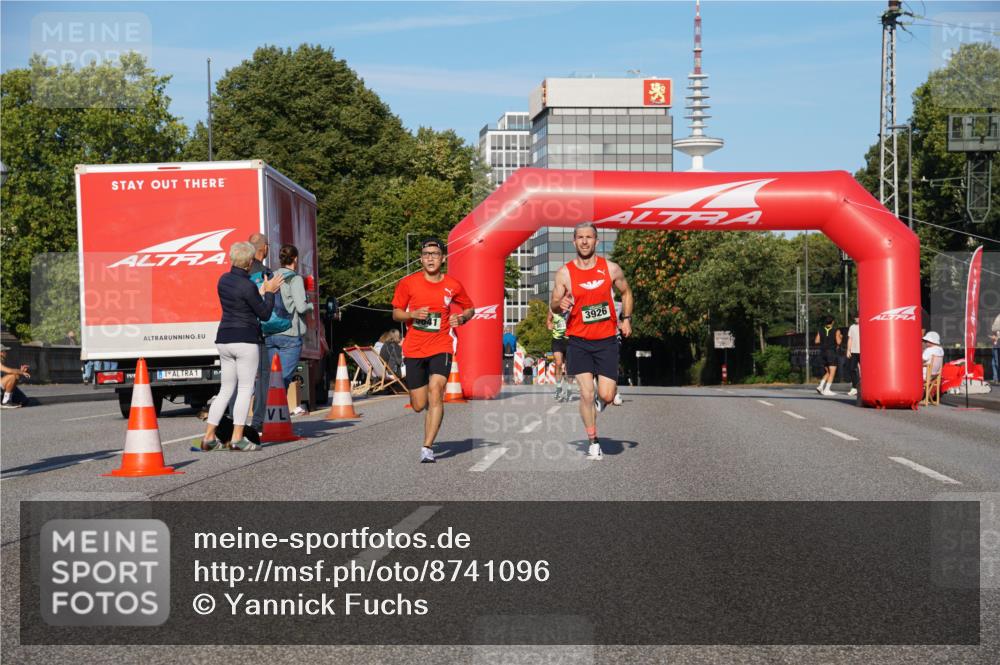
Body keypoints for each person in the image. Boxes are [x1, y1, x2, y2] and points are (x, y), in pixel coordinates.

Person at [550, 222, 633, 460]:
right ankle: (593, 441)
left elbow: (626, 292)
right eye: (580, 237)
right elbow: (554, 304)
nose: (584, 241)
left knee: (606, 395)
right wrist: (560, 304)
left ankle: (600, 402)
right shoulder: (564, 273)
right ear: (574, 242)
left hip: (607, 339)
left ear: (597, 242)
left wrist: (626, 319)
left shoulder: (611, 269)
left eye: (589, 237)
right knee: (586, 394)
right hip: (578, 341)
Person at [392, 238, 474, 463]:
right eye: (426, 254)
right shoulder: (408, 283)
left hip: (442, 344)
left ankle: (427, 447)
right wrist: (411, 315)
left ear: (443, 258)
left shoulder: (453, 285)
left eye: (435, 254)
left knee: (437, 391)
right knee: (419, 405)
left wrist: (463, 317)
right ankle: (429, 405)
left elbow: (470, 308)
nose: (430, 258)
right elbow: (396, 313)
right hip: (415, 347)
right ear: (421, 259)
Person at [200, 242, 284, 451]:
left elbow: (243, 299)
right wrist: (271, 292)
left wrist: (261, 291)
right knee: (246, 388)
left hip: (224, 338)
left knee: (225, 389)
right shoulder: (247, 285)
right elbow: (263, 314)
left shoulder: (224, 280)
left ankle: (209, 436)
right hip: (245, 339)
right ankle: (237, 438)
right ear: (248, 262)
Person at [265, 244, 314, 416]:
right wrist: (311, 306)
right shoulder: (295, 279)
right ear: (295, 259)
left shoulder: (272, 276)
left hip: (270, 333)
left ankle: (266, 414)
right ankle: (276, 417)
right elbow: (300, 308)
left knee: (272, 378)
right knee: (283, 378)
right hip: (290, 333)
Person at [247, 232, 273, 435]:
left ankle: (230, 423)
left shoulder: (237, 274)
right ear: (263, 248)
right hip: (258, 333)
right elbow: (267, 310)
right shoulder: (265, 273)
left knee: (238, 381)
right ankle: (257, 423)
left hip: (236, 333)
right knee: (263, 377)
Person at [814, 315, 842, 396]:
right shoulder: (836, 330)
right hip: (831, 352)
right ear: (833, 322)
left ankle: (820, 386)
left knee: (828, 371)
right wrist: (840, 337)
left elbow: (816, 341)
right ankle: (827, 389)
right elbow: (839, 342)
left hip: (822, 352)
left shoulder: (820, 330)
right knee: (832, 372)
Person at [546, 308, 571, 401]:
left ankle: (569, 389)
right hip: (557, 340)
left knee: (569, 366)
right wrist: (549, 324)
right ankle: (559, 388)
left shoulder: (572, 308)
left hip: (570, 340)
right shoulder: (553, 309)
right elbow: (548, 320)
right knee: (558, 363)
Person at [845, 314, 861, 397]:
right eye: (855, 317)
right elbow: (850, 339)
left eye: (858, 317)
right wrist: (848, 350)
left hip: (863, 352)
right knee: (851, 369)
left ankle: (863, 387)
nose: (856, 318)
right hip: (854, 351)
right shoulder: (852, 327)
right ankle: (854, 387)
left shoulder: (865, 325)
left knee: (864, 371)